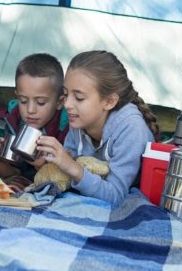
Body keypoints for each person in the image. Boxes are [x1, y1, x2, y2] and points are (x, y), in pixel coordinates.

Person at [35, 50, 159, 206]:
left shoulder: (131, 128)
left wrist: (71, 166)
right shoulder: (79, 121)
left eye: (79, 98)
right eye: (66, 94)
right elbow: (63, 178)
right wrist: (47, 163)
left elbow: (115, 195)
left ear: (109, 102)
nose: (67, 104)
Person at [0, 53, 68, 188]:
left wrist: (43, 165)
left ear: (59, 102)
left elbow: (65, 180)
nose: (30, 110)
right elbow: (10, 174)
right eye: (23, 101)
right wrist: (0, 158)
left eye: (40, 103)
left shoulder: (66, 128)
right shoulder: (15, 120)